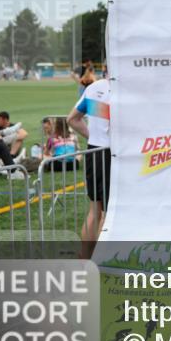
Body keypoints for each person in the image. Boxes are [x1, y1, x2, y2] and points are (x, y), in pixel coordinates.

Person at [67, 74, 111, 256]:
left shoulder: (93, 88)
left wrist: (92, 137)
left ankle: (84, 256)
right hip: (113, 154)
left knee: (95, 210)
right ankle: (100, 260)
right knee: (109, 213)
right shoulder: (124, 90)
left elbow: (72, 119)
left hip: (94, 151)